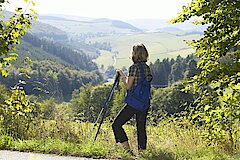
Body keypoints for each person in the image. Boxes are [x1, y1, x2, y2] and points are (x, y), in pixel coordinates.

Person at [112, 43, 152, 154]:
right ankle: (142, 153)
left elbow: (128, 86)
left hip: (134, 102)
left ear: (134, 54)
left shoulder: (134, 68)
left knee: (116, 124)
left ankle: (128, 151)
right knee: (141, 128)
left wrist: (122, 76)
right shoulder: (147, 68)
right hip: (144, 102)